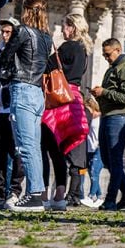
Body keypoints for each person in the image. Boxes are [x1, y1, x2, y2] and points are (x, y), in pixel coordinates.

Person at [0, 0, 53, 211]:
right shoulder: (47, 38)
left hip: (22, 89)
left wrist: (6, 71)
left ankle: (34, 196)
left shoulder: (22, 31)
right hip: (37, 93)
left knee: (25, 144)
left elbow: (5, 57)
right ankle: (36, 192)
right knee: (34, 146)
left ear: (26, 11)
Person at [41, 13, 92, 210]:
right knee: (61, 150)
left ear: (72, 27)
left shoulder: (66, 47)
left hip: (59, 99)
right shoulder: (84, 50)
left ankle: (43, 193)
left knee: (46, 147)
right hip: (75, 100)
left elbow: (47, 67)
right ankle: (60, 194)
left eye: (65, 26)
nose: (62, 30)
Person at [90, 38, 125, 211]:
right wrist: (100, 95)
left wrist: (104, 92)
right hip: (108, 116)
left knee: (115, 160)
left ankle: (110, 199)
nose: (106, 57)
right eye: (104, 54)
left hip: (119, 118)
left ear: (118, 50)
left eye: (108, 54)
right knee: (107, 159)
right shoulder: (112, 69)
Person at [0, 18, 25, 208]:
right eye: (3, 31)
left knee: (15, 152)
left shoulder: (19, 53)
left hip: (13, 108)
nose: (4, 35)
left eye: (8, 32)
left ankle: (15, 190)